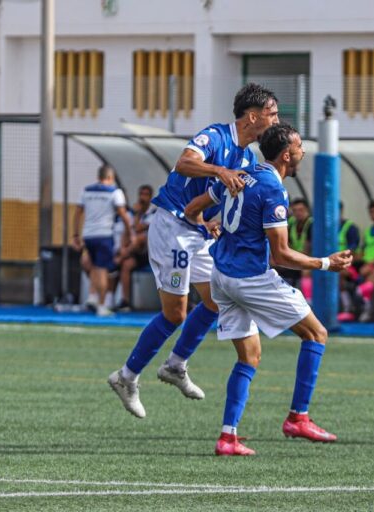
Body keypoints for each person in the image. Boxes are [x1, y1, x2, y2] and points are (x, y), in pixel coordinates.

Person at [108, 83, 279, 418]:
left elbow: (214, 197)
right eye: (272, 114)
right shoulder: (215, 137)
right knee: (175, 313)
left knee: (217, 300)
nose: (276, 121)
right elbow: (185, 163)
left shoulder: (247, 156)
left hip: (196, 230)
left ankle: (175, 365)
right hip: (171, 228)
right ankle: (126, 377)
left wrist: (210, 220)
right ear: (254, 116)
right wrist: (219, 170)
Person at [184, 123, 352, 456]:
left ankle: (227, 437)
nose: (304, 150)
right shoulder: (273, 190)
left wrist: (212, 230)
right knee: (316, 334)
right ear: (287, 154)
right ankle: (298, 418)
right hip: (250, 280)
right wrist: (326, 264)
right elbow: (281, 254)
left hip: (222, 276)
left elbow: (192, 210)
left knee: (249, 357)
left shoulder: (241, 174)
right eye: (301, 145)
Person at [72, 164, 132, 317]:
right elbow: (123, 215)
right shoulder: (115, 192)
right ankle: (102, 305)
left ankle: (92, 296)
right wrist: (130, 232)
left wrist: (75, 236)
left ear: (98, 176)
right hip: (104, 235)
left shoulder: (86, 191)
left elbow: (77, 213)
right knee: (103, 270)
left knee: (93, 266)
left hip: (88, 235)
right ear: (111, 177)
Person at [114, 184, 157, 312]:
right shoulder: (132, 213)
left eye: (146, 195)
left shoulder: (154, 213)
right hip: (134, 252)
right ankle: (125, 301)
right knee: (126, 264)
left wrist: (137, 213)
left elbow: (138, 228)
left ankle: (120, 257)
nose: (143, 198)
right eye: (141, 194)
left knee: (140, 238)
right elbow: (128, 231)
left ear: (150, 197)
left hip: (148, 252)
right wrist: (122, 247)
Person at [278, 198, 313, 297]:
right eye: (295, 210)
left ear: (307, 210)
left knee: (305, 273)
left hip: (308, 259)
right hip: (296, 257)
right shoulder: (292, 222)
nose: (298, 213)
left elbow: (308, 248)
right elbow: (285, 243)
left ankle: (307, 299)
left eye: (301, 210)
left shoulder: (311, 224)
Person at [336, 201, 361, 321]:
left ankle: (348, 307)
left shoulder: (350, 228)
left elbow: (353, 252)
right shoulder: (324, 228)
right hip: (330, 263)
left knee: (338, 273)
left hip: (349, 264)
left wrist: (339, 261)